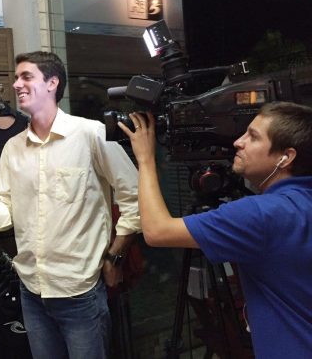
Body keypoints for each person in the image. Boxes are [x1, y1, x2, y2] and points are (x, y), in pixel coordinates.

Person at [0, 51, 140, 359]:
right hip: (31, 290)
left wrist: (115, 256)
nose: (17, 84)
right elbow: (5, 214)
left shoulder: (91, 134)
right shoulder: (13, 148)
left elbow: (135, 196)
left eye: (26, 76)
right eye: (16, 77)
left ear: (52, 83)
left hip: (80, 292)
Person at [118, 102, 312, 358]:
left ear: (285, 157)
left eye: (252, 137)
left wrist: (145, 158)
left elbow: (157, 231)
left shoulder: (262, 214)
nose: (238, 142)